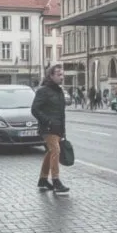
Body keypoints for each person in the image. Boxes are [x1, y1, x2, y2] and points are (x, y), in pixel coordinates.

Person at [31, 64, 69, 195]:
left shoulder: (59, 91)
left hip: (57, 128)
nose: (61, 77)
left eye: (62, 74)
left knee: (50, 152)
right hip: (47, 128)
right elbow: (35, 109)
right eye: (59, 74)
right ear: (51, 75)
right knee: (55, 151)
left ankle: (42, 179)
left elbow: (61, 113)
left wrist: (63, 130)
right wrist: (47, 121)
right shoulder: (43, 91)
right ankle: (56, 180)